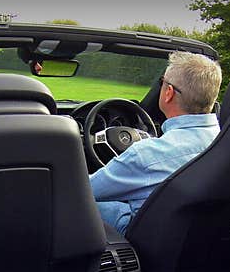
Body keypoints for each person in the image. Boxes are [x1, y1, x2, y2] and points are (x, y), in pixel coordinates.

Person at [89, 51, 222, 234]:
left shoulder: (146, 155)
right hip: (195, 237)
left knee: (75, 201)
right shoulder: (227, 142)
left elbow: (86, 190)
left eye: (162, 82)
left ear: (168, 93)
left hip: (142, 239)